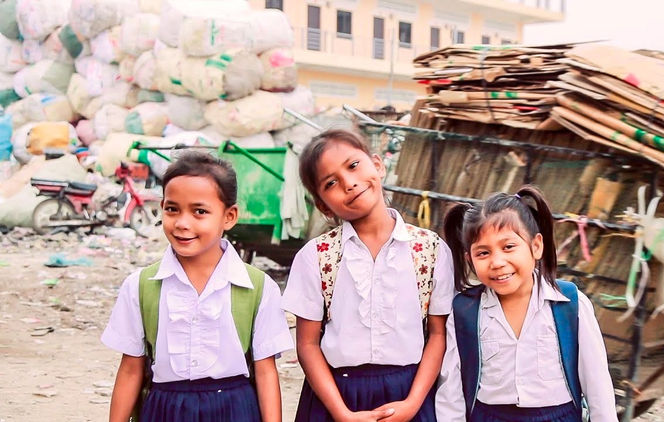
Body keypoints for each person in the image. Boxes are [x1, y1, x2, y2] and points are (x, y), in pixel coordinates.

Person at [102, 151, 293, 422]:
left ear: (229, 216)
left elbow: (265, 371)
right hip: (164, 410)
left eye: (199, 211)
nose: (182, 223)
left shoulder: (259, 288)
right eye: (172, 209)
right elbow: (131, 370)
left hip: (235, 410)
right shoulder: (140, 287)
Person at [283, 129, 455, 421]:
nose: (349, 183)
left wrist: (413, 403)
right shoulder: (317, 256)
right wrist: (342, 414)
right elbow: (308, 344)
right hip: (336, 397)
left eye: (353, 165)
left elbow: (438, 334)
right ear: (323, 205)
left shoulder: (431, 249)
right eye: (331, 182)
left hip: (410, 392)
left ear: (377, 164)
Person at [437, 186, 618, 422]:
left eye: (508, 247)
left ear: (536, 246)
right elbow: (451, 391)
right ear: (469, 259)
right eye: (483, 253)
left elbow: (597, 383)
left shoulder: (570, 304)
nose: (498, 262)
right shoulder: (464, 312)